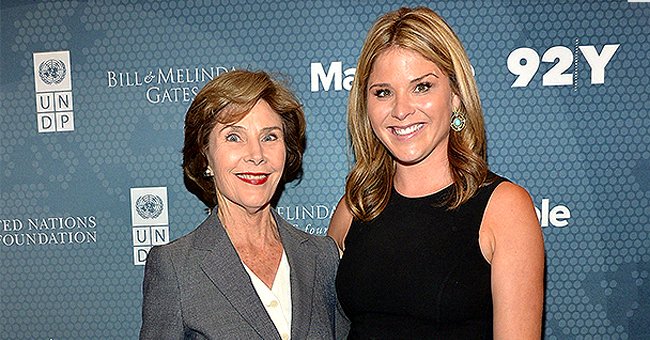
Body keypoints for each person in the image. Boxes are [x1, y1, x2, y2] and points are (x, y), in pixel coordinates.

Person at [328, 7, 544, 339]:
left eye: (422, 87)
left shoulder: (504, 209)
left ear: (456, 96)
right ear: (366, 105)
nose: (401, 110)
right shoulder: (354, 208)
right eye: (383, 92)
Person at [140, 70, 348, 339]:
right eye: (234, 137)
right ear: (205, 157)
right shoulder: (176, 268)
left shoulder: (322, 257)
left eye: (269, 137)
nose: (256, 155)